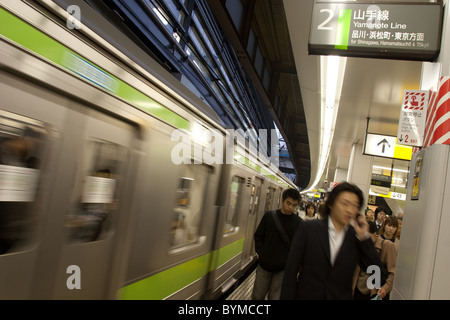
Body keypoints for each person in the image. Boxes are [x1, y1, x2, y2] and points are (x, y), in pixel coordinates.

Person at [280, 182, 381, 300]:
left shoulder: (356, 238)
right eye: (345, 203)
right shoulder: (308, 228)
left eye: (355, 206)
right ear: (331, 204)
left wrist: (364, 237)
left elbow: (376, 273)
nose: (349, 210)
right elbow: (291, 271)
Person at [252, 188, 302, 300]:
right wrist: (262, 253)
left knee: (275, 298)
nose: (290, 208)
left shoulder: (298, 223)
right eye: (288, 203)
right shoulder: (269, 217)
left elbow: (299, 247)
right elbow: (258, 236)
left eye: (294, 205)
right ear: (282, 200)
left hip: (283, 269)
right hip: (264, 266)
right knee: (257, 296)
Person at [353, 220, 397, 300]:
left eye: (367, 237)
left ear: (375, 234)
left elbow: (393, 272)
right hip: (359, 289)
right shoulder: (361, 244)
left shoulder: (388, 246)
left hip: (376, 292)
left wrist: (385, 288)